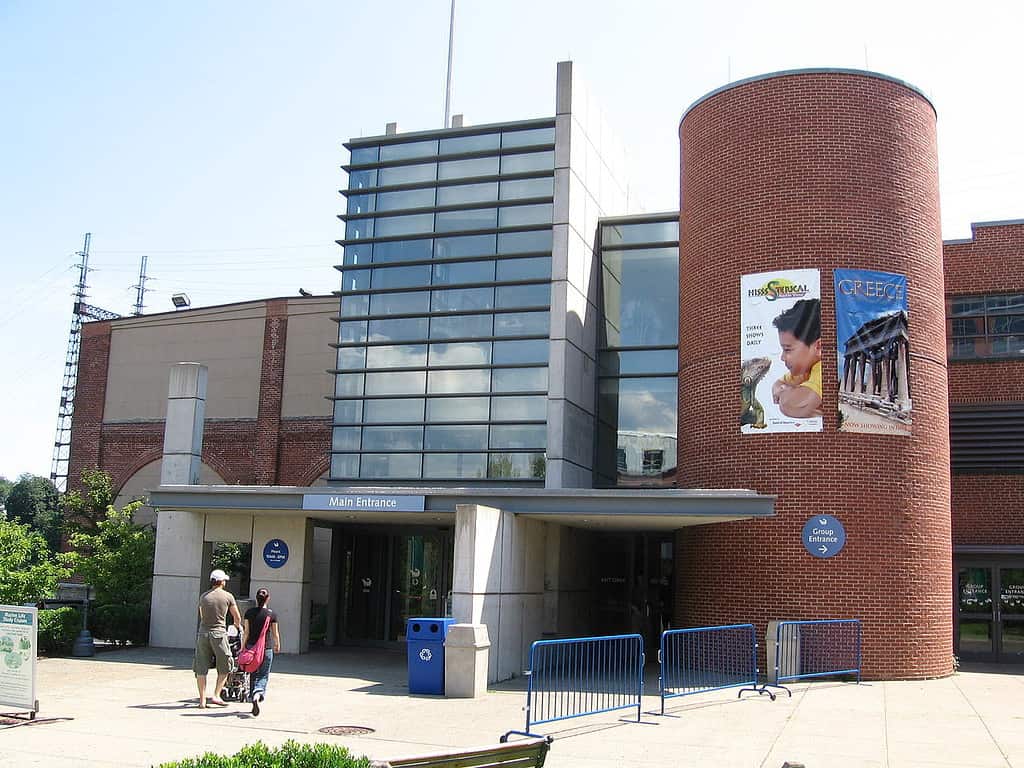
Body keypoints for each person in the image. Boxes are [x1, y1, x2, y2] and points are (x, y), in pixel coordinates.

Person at [193, 568, 242, 708]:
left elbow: (202, 616)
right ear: (221, 582)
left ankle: (202, 700)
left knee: (201, 667)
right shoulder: (228, 596)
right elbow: (236, 617)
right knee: (226, 665)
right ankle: (216, 694)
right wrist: (236, 627)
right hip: (219, 634)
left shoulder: (204, 596)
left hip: (203, 633)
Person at [771, 298, 823, 419]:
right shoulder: (803, 371)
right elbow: (777, 384)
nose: (782, 358)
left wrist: (787, 393)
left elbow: (791, 405)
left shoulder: (822, 369)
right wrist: (789, 390)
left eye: (787, 349)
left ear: (819, 347)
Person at [240, 587, 281, 717]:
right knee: (263, 674)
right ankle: (258, 693)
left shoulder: (249, 612)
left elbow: (246, 632)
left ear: (257, 599)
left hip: (251, 648)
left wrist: (242, 646)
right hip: (266, 648)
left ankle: (253, 695)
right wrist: (277, 644)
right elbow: (275, 633)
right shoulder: (271, 614)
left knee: (252, 672)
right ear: (267, 598)